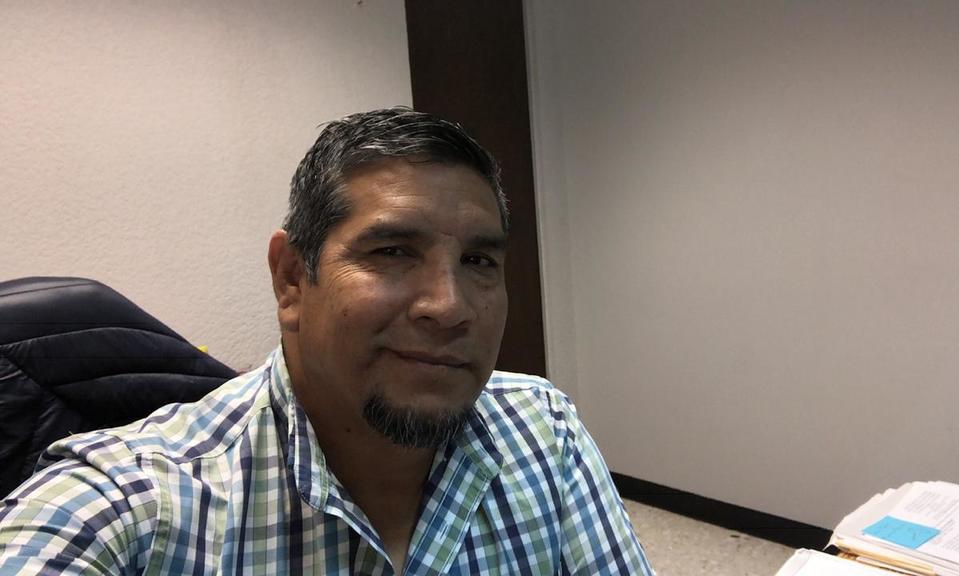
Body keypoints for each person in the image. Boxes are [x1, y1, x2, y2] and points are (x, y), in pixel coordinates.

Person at [0, 107, 654, 575]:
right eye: (392, 251)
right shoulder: (122, 505)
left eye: (479, 262)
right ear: (291, 278)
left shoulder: (542, 427)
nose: (450, 307)